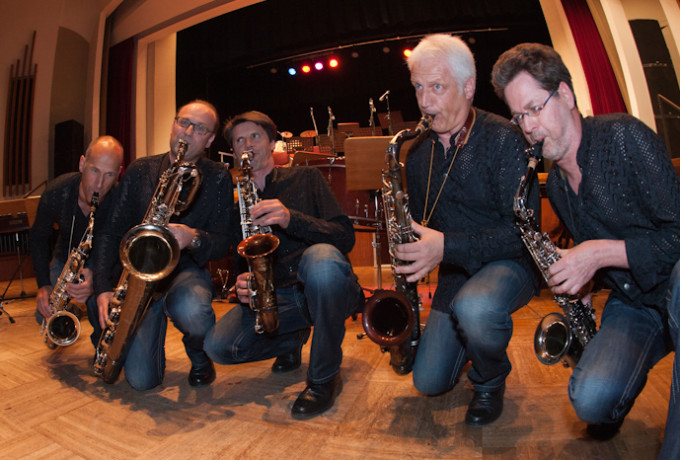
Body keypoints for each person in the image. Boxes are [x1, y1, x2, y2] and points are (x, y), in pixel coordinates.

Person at [491, 42, 680, 447]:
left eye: (535, 108)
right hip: (635, 304)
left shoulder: (625, 137)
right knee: (590, 400)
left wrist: (597, 254)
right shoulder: (558, 187)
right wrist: (584, 284)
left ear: (565, 94)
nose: (528, 127)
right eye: (519, 116)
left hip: (676, 290)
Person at [392, 34, 540, 427]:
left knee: (476, 308)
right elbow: (425, 228)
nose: (425, 102)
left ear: (468, 87)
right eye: (418, 87)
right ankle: (473, 340)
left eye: (437, 87)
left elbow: (524, 234)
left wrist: (446, 247)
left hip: (510, 264)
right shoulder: (417, 153)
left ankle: (490, 380)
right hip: (457, 273)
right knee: (428, 381)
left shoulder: (506, 139)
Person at [203, 110, 364, 419]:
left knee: (321, 260)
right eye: (239, 140)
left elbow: (344, 237)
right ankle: (292, 339)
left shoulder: (307, 178)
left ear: (271, 142)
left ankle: (324, 377)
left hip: (323, 288)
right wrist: (242, 284)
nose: (248, 144)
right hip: (278, 300)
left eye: (255, 136)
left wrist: (292, 219)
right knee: (219, 346)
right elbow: (244, 259)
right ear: (234, 151)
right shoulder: (239, 205)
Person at [93, 100, 233, 390]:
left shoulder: (218, 176)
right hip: (139, 275)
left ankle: (200, 356)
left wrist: (192, 237)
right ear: (173, 124)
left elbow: (222, 244)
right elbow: (111, 231)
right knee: (142, 381)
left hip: (186, 272)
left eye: (200, 129)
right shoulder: (140, 170)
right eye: (184, 122)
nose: (188, 132)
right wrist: (103, 287)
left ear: (209, 140)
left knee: (193, 313)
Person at [30, 135, 124, 347]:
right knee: (45, 313)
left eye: (109, 175)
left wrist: (98, 279)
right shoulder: (56, 192)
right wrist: (43, 285)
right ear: (82, 164)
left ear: (118, 173)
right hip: (66, 255)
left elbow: (124, 250)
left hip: (104, 261)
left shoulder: (120, 200)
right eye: (94, 170)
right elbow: (38, 238)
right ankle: (70, 309)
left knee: (99, 307)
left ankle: (99, 341)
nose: (99, 184)